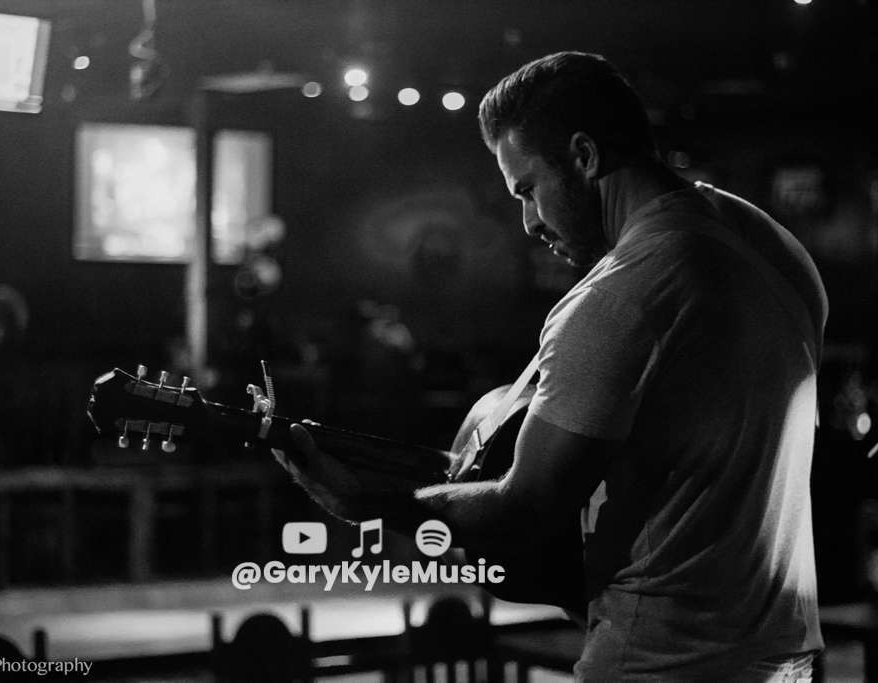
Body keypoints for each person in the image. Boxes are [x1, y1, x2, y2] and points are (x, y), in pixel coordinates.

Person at [274, 51, 827, 680]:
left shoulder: (622, 294)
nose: (529, 221)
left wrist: (372, 502)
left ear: (584, 156)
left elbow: (526, 508)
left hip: (666, 663)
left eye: (529, 189)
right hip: (788, 657)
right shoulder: (774, 247)